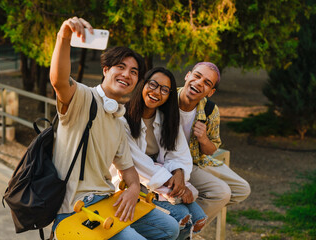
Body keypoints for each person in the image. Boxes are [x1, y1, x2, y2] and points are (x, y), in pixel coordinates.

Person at [49, 17, 179, 240]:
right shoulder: (82, 97)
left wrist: (133, 189)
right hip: (76, 207)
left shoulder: (119, 120)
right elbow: (59, 80)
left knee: (171, 228)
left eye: (134, 72)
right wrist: (64, 36)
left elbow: (127, 169)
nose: (127, 74)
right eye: (121, 67)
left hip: (107, 200)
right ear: (106, 69)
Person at [113, 67, 207, 239]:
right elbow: (136, 162)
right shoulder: (122, 119)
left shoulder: (166, 119)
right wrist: (171, 181)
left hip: (163, 180)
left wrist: (179, 173)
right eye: (153, 85)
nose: (157, 92)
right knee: (181, 218)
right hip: (133, 182)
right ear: (143, 84)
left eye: (164, 90)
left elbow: (179, 153)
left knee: (199, 218)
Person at [177, 62, 251, 225]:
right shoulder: (166, 100)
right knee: (221, 193)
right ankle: (186, 230)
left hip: (199, 161)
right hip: (176, 165)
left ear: (211, 92)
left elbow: (212, 149)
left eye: (207, 83)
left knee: (242, 190)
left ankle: (188, 224)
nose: (199, 83)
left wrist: (203, 138)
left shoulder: (210, 110)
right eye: (197, 76)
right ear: (188, 75)